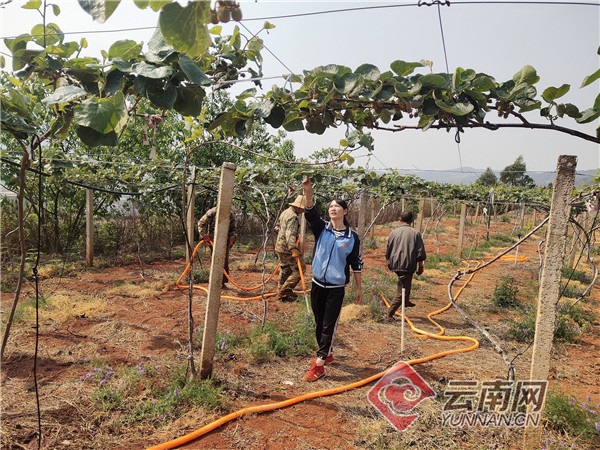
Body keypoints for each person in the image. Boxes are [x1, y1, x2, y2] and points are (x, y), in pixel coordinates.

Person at [301, 176, 363, 382]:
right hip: (317, 284)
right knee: (319, 321)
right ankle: (326, 354)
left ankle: (319, 365)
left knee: (328, 325)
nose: (333, 208)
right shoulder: (322, 229)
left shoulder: (351, 237)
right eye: (331, 206)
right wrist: (308, 191)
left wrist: (359, 288)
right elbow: (310, 212)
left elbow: (356, 263)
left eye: (337, 206)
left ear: (345, 211)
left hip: (336, 288)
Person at [385, 211, 426, 318]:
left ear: (400, 219)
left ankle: (406, 301)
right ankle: (389, 314)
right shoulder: (415, 233)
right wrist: (420, 266)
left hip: (395, 264)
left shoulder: (393, 232)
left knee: (405, 283)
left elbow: (388, 250)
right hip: (407, 265)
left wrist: (390, 262)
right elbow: (420, 253)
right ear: (412, 220)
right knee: (401, 291)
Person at [274, 195, 306, 302]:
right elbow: (290, 234)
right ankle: (284, 291)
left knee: (285, 269)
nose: (302, 211)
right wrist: (293, 249)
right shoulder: (293, 217)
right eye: (302, 208)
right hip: (288, 249)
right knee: (299, 269)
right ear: (298, 207)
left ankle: (281, 293)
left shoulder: (285, 212)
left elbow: (277, 227)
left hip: (280, 247)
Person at [197, 206, 237, 288]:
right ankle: (214, 283)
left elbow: (233, 228)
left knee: (224, 261)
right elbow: (201, 223)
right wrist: (204, 236)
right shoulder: (212, 212)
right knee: (215, 261)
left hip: (225, 241)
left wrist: (232, 239)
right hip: (213, 241)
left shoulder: (230, 214)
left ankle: (222, 283)